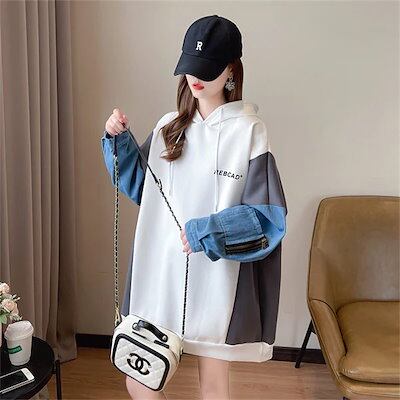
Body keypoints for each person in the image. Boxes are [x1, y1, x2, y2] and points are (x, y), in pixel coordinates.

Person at [101, 14, 287, 400]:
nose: (195, 78)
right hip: (160, 273)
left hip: (217, 280)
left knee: (213, 385)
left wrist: (208, 231)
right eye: (190, 67)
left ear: (231, 70)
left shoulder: (249, 131)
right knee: (139, 378)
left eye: (207, 68)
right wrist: (115, 139)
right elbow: (140, 186)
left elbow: (268, 219)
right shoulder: (169, 127)